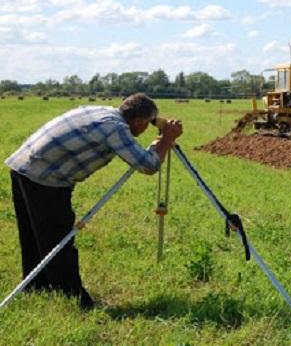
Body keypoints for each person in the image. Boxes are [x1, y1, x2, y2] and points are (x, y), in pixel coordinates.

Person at [5, 93, 183, 309]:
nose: (147, 129)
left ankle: (37, 286)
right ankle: (75, 299)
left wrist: (161, 141)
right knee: (58, 239)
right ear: (137, 121)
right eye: (148, 124)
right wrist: (166, 139)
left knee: (34, 235)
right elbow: (147, 165)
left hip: (23, 166)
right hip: (45, 178)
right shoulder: (115, 129)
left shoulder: (102, 111)